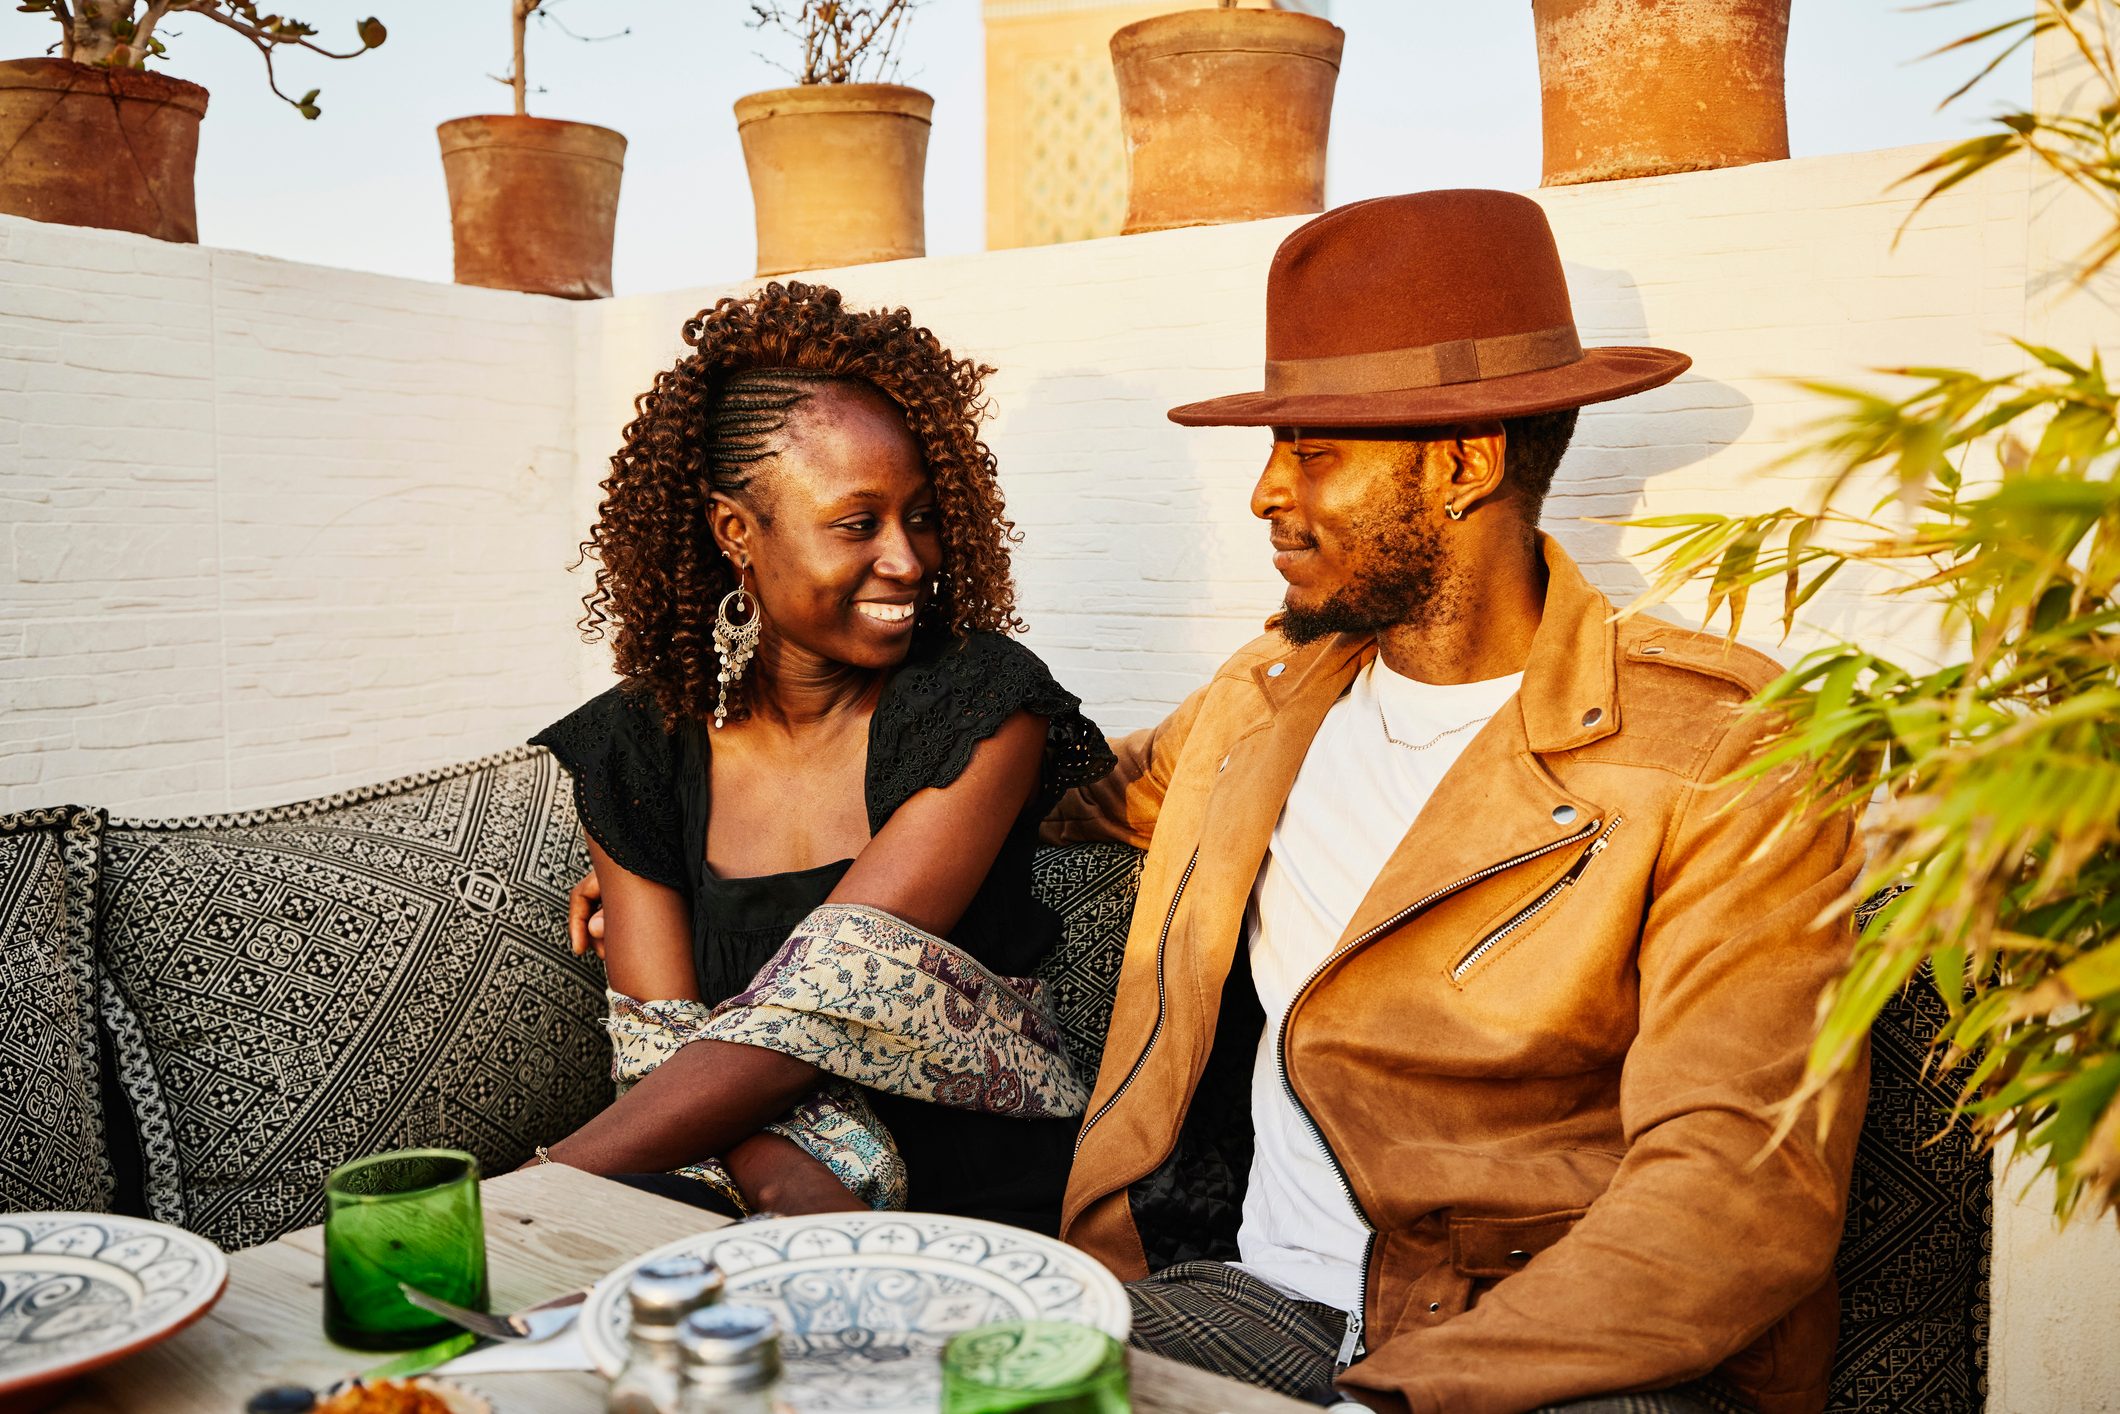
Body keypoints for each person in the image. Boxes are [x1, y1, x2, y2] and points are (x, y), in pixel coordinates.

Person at [1044, 191, 1866, 1413]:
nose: (1266, 493)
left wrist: (1404, 1397)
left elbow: (1732, 1182)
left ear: (1465, 462)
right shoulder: (1266, 699)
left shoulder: (1724, 748)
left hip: (1553, 1352)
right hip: (1258, 1302)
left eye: (1312, 450)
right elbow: (1079, 796)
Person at [531, 281, 1113, 1233]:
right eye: (858, 524)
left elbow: (828, 998)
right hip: (732, 1185)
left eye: (922, 516)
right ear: (736, 533)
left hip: (976, 1200)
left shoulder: (982, 704)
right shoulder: (632, 747)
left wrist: (529, 1190)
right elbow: (659, 1049)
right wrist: (784, 1184)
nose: (911, 559)